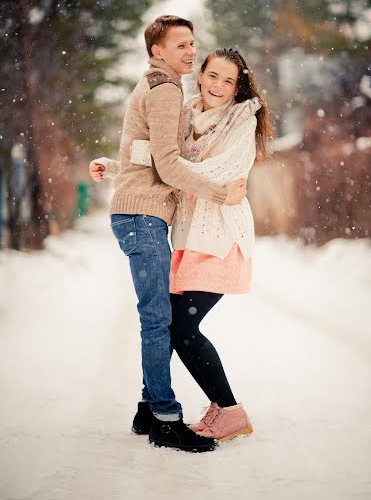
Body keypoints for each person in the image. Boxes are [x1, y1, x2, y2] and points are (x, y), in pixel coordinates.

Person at [92, 47, 273, 443]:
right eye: (213, 76)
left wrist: (169, 167)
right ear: (201, 75)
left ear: (239, 85)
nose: (219, 86)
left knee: (182, 327)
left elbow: (219, 171)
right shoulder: (187, 112)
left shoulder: (242, 119)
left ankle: (230, 411)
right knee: (172, 325)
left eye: (229, 80)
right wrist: (118, 168)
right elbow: (162, 164)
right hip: (189, 238)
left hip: (222, 238)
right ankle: (151, 404)